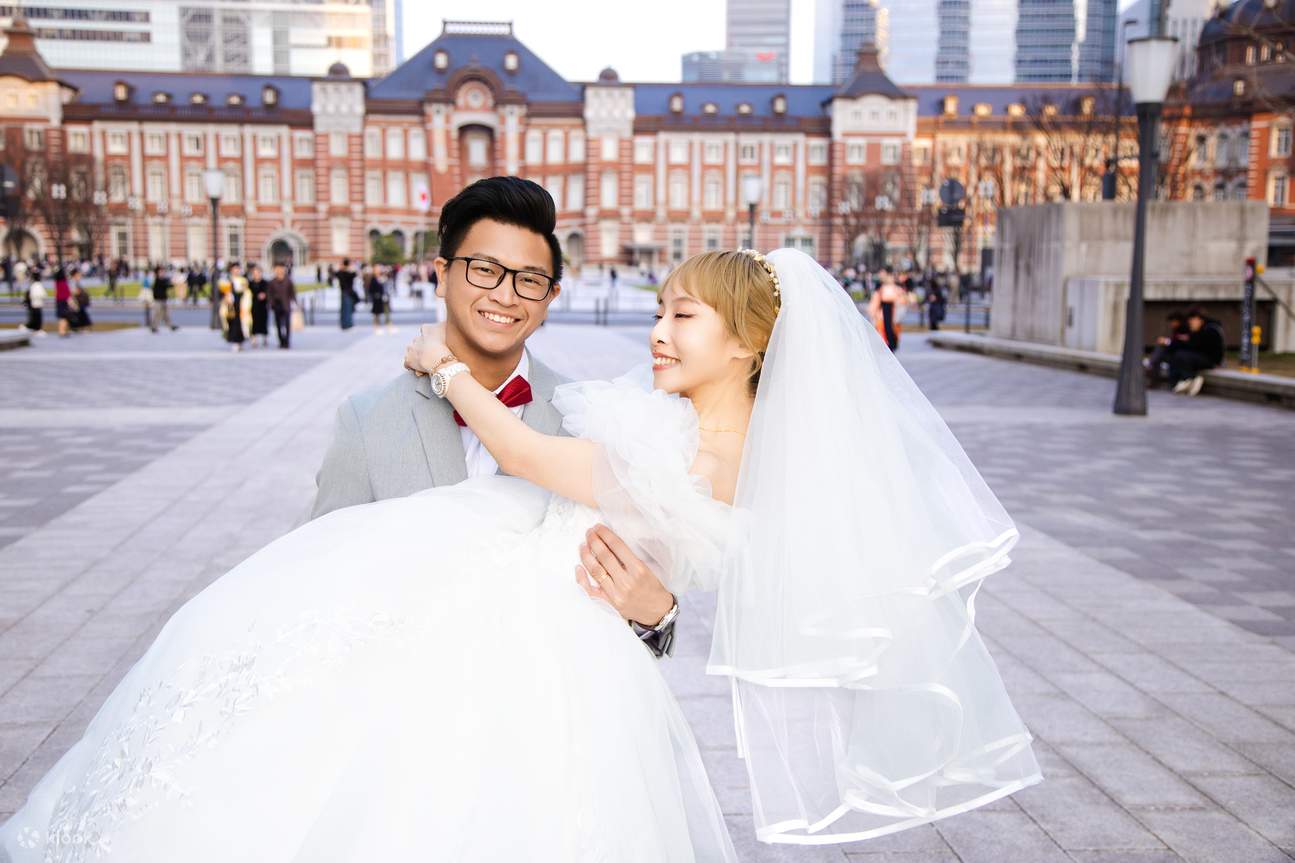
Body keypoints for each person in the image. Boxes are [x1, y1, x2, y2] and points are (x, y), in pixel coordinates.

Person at [1167, 306, 1225, 396]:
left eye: (1192, 321)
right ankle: (1183, 380)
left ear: (1198, 319)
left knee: (1182, 356)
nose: (1190, 324)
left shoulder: (1210, 330)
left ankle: (1189, 379)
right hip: (1203, 357)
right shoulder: (1202, 329)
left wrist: (1190, 338)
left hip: (1211, 360)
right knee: (1177, 355)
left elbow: (1201, 347)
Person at [867, 266, 907, 350]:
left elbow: (902, 300)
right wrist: (873, 312)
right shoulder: (880, 289)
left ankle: (892, 343)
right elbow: (875, 301)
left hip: (892, 309)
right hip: (883, 310)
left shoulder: (896, 289)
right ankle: (886, 344)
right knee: (883, 328)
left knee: (891, 328)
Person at [1144, 310, 1187, 388]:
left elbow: (1178, 344)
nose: (1171, 324)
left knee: (1159, 351)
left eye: (1173, 322)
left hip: (1179, 354)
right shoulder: (1177, 329)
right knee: (1159, 352)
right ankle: (1151, 366)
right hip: (1174, 353)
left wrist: (1166, 341)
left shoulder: (1184, 329)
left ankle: (1150, 365)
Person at [219, 263, 252, 352]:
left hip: (241, 305)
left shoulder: (243, 280)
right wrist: (226, 297)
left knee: (242, 323)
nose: (236, 271)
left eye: (238, 269)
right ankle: (234, 341)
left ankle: (240, 341)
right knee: (232, 323)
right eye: (235, 269)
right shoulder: (226, 280)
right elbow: (221, 293)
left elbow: (247, 292)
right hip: (230, 306)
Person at [267, 262, 296, 349]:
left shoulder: (288, 281)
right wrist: (271, 303)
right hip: (276, 305)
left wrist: (294, 302)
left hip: (286, 305)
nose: (279, 271)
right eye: (277, 269)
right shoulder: (272, 282)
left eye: (281, 269)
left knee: (287, 324)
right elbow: (269, 294)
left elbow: (292, 293)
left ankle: (287, 341)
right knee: (278, 325)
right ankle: (281, 341)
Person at [150, 265, 179, 333]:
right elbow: (166, 285)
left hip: (163, 299)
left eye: (163, 272)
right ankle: (153, 327)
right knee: (157, 313)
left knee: (166, 314)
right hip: (158, 300)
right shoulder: (157, 279)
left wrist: (172, 282)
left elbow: (169, 285)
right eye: (161, 272)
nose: (162, 273)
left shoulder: (163, 279)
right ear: (157, 273)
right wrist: (171, 282)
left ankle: (170, 326)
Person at [248, 263, 271, 348]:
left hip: (263, 306)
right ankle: (254, 338)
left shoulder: (265, 283)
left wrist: (265, 295)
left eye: (258, 273)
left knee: (263, 322)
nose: (256, 275)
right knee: (253, 323)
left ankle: (265, 338)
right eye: (255, 273)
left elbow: (269, 293)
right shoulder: (250, 283)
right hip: (253, 306)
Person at [20, 267, 45, 336]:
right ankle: (32, 328)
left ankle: (35, 329)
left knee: (36, 318)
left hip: (36, 304)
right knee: (35, 318)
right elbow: (40, 295)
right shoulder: (36, 285)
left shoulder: (35, 285)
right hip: (35, 304)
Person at [367, 262, 390, 334]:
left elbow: (384, 288)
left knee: (383, 312)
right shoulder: (373, 278)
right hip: (376, 298)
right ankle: (376, 327)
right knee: (376, 313)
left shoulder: (382, 278)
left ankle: (384, 326)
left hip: (382, 298)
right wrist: (374, 294)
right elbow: (370, 289)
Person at [336, 257, 358, 330]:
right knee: (348, 309)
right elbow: (355, 273)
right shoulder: (349, 273)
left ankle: (345, 324)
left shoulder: (341, 272)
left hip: (344, 292)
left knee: (344, 309)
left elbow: (337, 273)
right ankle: (348, 324)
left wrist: (342, 267)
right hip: (349, 292)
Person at [53, 265, 72, 338]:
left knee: (61, 317)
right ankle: (62, 331)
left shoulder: (57, 282)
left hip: (58, 301)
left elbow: (56, 292)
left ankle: (61, 330)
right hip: (64, 301)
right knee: (64, 317)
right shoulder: (64, 283)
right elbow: (67, 293)